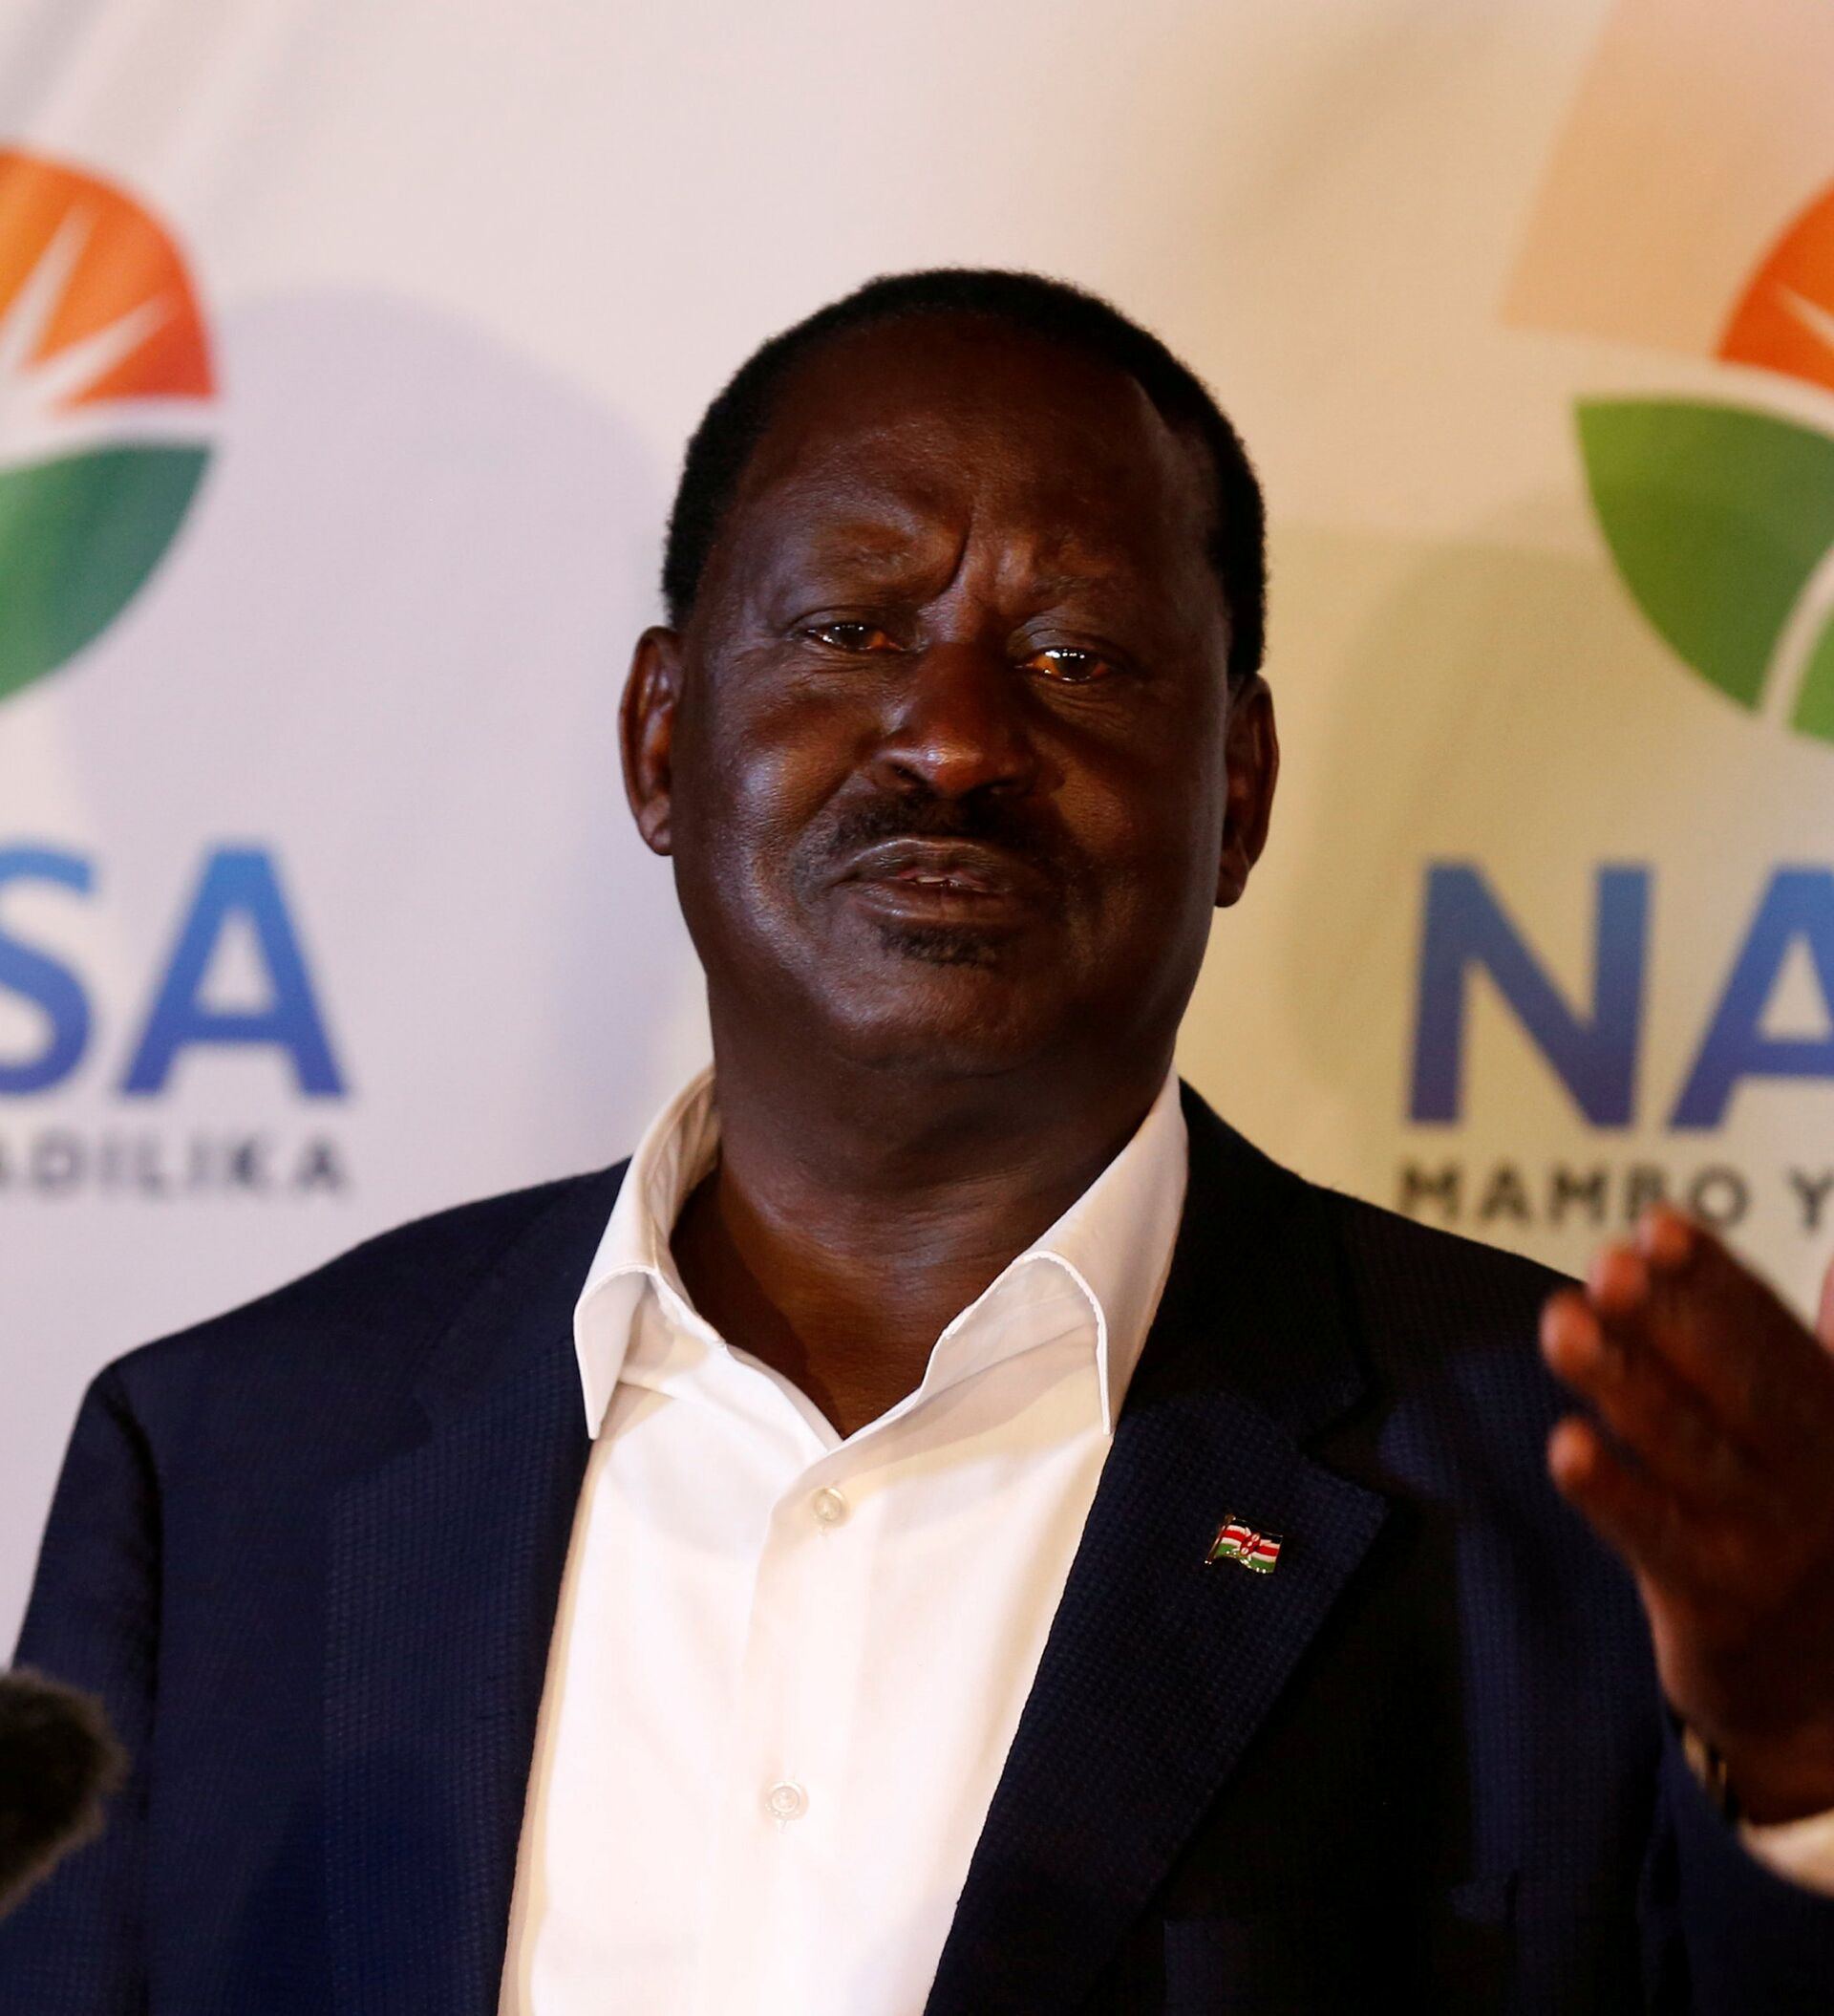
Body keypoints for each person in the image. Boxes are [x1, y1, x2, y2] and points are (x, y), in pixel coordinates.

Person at [5, 268, 1834, 2014]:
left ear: (1239, 792)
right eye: (851, 629)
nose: (954, 739)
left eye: (1077, 654)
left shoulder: (1585, 1498)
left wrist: (1812, 1742)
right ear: (659, 740)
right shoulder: (229, 1466)